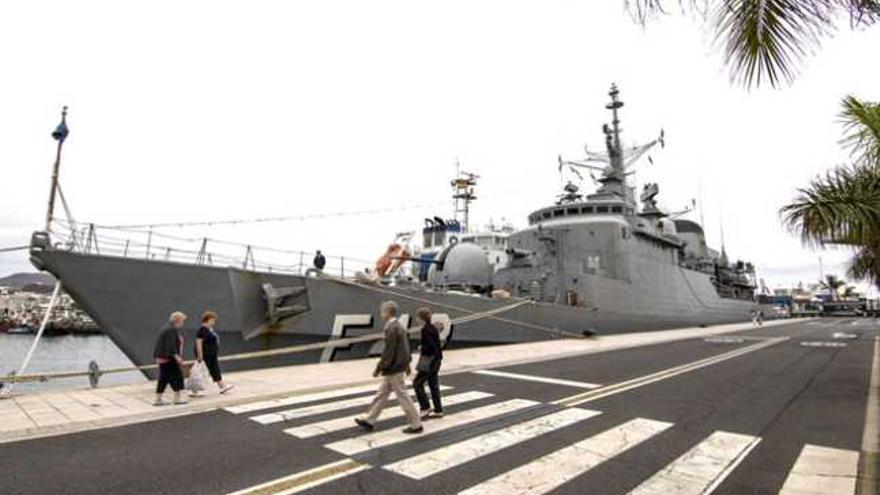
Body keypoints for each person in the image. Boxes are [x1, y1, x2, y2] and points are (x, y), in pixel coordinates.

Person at [355, 301, 423, 434]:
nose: (381, 314)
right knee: (381, 394)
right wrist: (407, 364)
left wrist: (379, 367)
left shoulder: (391, 328)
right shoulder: (399, 326)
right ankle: (370, 419)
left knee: (402, 395)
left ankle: (416, 424)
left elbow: (389, 351)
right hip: (397, 365)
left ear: (387, 312)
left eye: (382, 311)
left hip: (393, 367)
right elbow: (405, 348)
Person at [413, 307, 444, 418]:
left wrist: (422, 348)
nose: (416, 319)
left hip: (429, 361)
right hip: (437, 359)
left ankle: (425, 407)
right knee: (433, 384)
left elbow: (430, 346)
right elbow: (436, 344)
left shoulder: (425, 329)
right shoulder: (433, 328)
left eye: (417, 317)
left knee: (417, 383)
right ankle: (438, 410)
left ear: (421, 318)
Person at [194, 310, 234, 395]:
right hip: (205, 355)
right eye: (212, 320)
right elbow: (198, 343)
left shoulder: (209, 330)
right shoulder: (202, 330)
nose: (214, 322)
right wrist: (200, 355)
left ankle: (222, 387)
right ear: (207, 320)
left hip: (211, 354)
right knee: (201, 372)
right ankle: (194, 389)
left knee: (215, 370)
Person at [153, 311, 188, 406]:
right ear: (177, 320)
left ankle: (158, 399)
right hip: (168, 358)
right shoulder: (171, 330)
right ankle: (175, 398)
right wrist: (177, 357)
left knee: (164, 378)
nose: (183, 323)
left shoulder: (168, 328)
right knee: (176, 377)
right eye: (182, 321)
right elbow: (170, 345)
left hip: (163, 357)